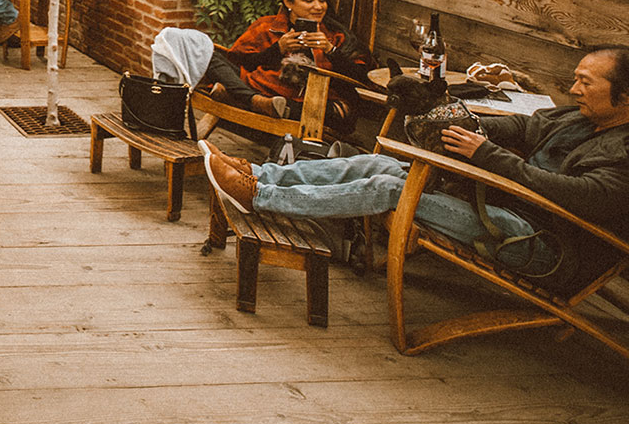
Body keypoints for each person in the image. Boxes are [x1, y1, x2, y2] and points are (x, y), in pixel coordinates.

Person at [203, 45, 629, 295]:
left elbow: (577, 196)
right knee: (380, 161)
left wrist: (486, 155)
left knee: (390, 188)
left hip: (542, 244)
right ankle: (262, 174)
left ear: (624, 95)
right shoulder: (577, 117)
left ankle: (259, 196)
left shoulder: (622, 151)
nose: (574, 90)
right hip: (499, 206)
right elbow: (523, 125)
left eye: (586, 83)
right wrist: (454, 120)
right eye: (576, 79)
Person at [200, 0, 375, 132]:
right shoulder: (267, 26)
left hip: (307, 104)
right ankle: (253, 100)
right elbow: (240, 62)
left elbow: (360, 77)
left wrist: (331, 50)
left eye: (322, 0)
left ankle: (237, 96)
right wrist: (277, 49)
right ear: (288, 2)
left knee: (323, 110)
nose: (319, 7)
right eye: (309, 0)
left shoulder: (336, 36)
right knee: (206, 53)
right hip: (260, 89)